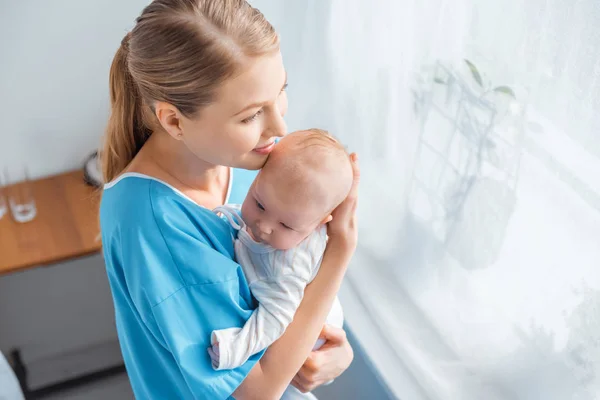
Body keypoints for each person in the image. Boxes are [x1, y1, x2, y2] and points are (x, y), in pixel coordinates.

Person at [99, 1, 359, 399]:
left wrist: (337, 354)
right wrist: (340, 250)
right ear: (173, 121)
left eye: (281, 92)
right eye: (251, 114)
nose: (280, 127)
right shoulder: (152, 223)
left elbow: (294, 285)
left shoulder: (246, 163)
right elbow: (255, 392)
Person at [208, 129, 352, 399]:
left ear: (319, 224)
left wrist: (233, 349)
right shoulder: (284, 178)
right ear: (258, 176)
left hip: (307, 328)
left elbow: (276, 317)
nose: (263, 226)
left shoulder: (287, 265)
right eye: (260, 204)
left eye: (285, 225)